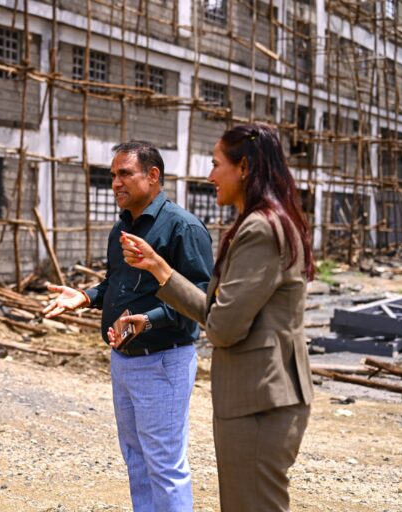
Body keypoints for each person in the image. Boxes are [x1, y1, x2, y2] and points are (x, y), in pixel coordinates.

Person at [119, 124, 315, 511]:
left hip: (260, 399)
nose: (210, 176)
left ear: (243, 167)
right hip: (258, 397)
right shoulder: (266, 222)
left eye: (215, 164)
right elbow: (222, 315)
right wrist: (160, 268)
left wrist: (163, 273)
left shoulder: (260, 229)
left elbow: (223, 328)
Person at [44, 141, 213, 511]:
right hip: (124, 358)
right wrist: (85, 297)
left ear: (152, 175)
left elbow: (201, 300)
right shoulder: (122, 227)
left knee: (164, 464)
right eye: (112, 175)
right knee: (136, 459)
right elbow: (115, 285)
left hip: (163, 359)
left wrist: (149, 321)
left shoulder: (183, 227)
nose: (115, 183)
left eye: (124, 173)